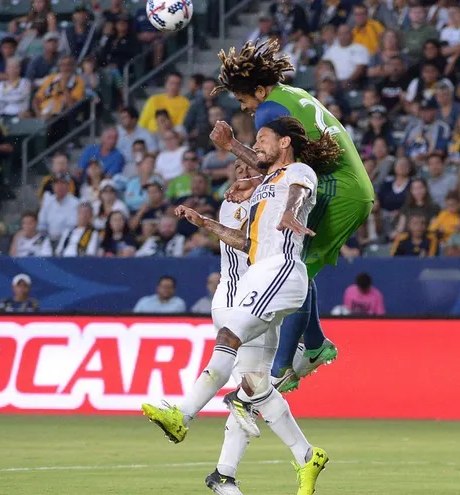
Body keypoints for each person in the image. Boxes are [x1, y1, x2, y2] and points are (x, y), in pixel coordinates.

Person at [144, 116, 332, 495]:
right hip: (260, 274)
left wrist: (292, 212)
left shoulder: (299, 171)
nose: (256, 146)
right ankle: (305, 455)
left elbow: (296, 191)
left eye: (262, 139)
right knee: (254, 383)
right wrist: (205, 222)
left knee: (229, 334)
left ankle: (182, 416)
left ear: (283, 143)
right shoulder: (264, 185)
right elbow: (245, 242)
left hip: (279, 271)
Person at [210, 39, 374, 392]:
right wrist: (256, 181)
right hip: (346, 186)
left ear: (258, 89)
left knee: (288, 267)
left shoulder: (271, 110)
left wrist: (230, 147)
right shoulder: (290, 94)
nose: (249, 110)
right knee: (294, 263)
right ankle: (313, 346)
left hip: (337, 190)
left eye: (244, 101)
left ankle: (282, 368)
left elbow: (276, 164)